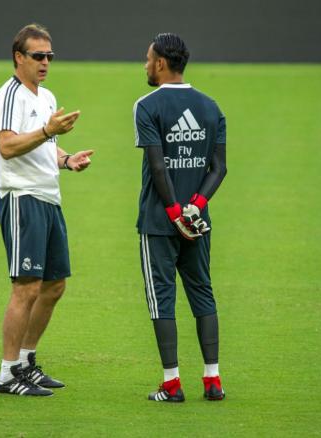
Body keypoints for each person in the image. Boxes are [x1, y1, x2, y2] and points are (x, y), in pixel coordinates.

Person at [0, 23, 93, 397]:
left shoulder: (46, 97)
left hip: (49, 199)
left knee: (54, 286)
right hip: (22, 198)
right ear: (19, 57)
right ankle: (6, 373)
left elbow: (44, 147)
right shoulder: (9, 95)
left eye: (50, 55)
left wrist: (67, 160)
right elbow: (7, 146)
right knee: (26, 287)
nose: (46, 62)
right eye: (38, 56)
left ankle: (26, 362)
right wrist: (49, 133)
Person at [133, 33, 228, 402]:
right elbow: (219, 168)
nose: (144, 64)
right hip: (197, 221)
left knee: (162, 299)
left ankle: (172, 385)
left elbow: (158, 167)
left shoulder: (147, 105)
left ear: (159, 63)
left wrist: (174, 213)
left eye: (147, 58)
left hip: (159, 223)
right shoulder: (210, 106)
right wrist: (195, 206)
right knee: (203, 293)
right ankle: (213, 381)